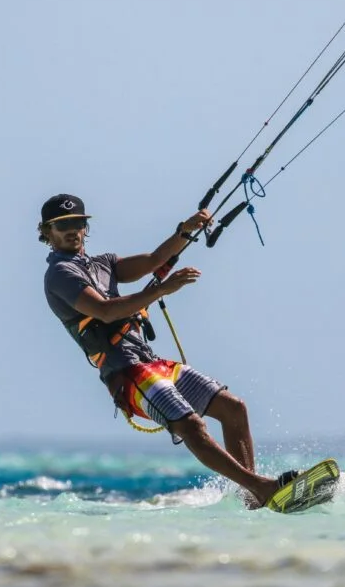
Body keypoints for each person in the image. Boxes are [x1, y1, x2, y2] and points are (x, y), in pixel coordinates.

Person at [39, 193, 292, 508]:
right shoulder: (60, 274)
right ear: (47, 232)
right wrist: (162, 289)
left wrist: (184, 230)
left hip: (150, 363)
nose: (72, 230)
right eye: (62, 225)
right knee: (191, 425)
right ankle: (261, 488)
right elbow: (105, 312)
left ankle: (252, 498)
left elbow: (151, 262)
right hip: (127, 375)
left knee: (233, 408)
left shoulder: (102, 264)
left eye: (77, 222)